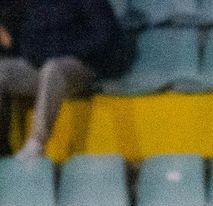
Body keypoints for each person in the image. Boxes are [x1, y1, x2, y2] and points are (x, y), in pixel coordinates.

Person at [0, 0, 132, 158]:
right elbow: (29, 41)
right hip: (46, 63)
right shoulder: (35, 5)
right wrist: (24, 49)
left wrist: (57, 52)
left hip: (85, 65)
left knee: (53, 68)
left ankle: (36, 144)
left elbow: (103, 36)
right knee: (4, 70)